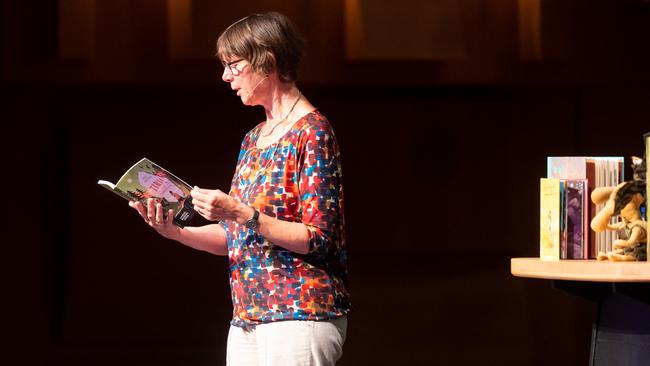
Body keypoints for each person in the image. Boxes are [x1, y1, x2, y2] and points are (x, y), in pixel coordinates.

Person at [129, 11, 351, 365]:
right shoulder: (253, 139)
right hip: (248, 318)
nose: (225, 76)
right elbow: (235, 236)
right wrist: (175, 231)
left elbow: (319, 238)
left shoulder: (312, 131)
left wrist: (238, 211)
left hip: (299, 315)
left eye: (233, 64)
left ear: (267, 61)